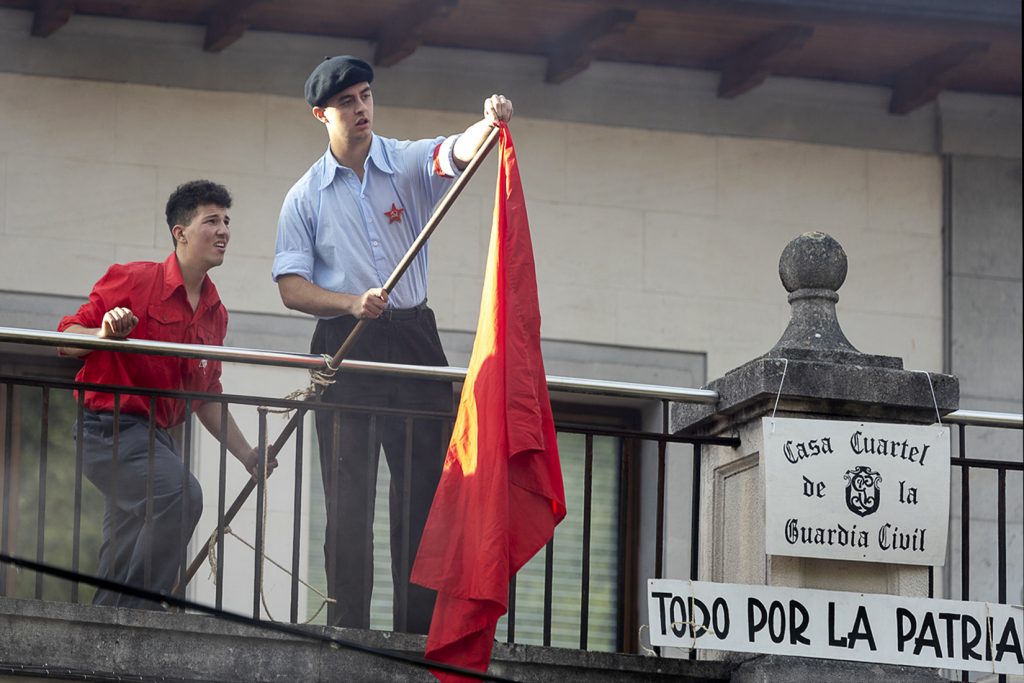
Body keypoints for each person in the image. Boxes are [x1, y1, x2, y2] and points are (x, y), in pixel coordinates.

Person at [272, 55, 512, 633]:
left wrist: (490, 121)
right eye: (348, 102)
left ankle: (416, 630)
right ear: (320, 115)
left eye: (366, 96)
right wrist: (351, 302)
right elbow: (291, 287)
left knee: (424, 495)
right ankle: (347, 628)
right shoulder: (304, 196)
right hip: (346, 342)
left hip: (411, 338)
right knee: (349, 501)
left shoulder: (403, 161)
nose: (361, 109)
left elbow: (456, 151)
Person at [58, 180, 275, 608]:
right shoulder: (134, 280)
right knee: (181, 495)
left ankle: (105, 628)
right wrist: (104, 333)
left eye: (226, 221)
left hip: (154, 440)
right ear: (180, 233)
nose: (223, 231)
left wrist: (247, 454)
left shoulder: (215, 312)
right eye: (211, 220)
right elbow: (66, 339)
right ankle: (140, 613)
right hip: (108, 431)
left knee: (123, 550)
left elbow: (205, 396)